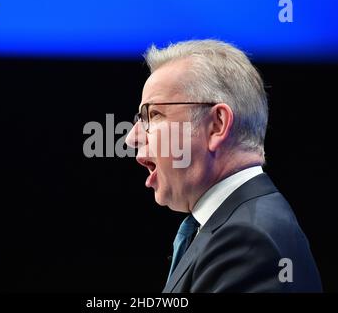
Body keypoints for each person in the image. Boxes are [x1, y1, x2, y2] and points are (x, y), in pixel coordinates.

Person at [125, 40, 322, 292]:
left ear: (217, 125)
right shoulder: (230, 226)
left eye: (154, 115)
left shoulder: (249, 241)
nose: (132, 137)